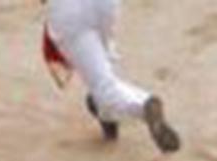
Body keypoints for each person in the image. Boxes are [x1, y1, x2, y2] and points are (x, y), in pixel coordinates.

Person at [40, 0, 181, 153]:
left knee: (104, 89)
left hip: (69, 10)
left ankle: (143, 105)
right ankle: (106, 113)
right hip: (106, 4)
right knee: (104, 55)